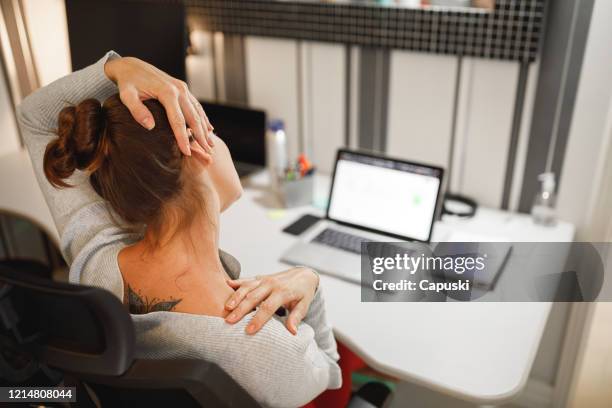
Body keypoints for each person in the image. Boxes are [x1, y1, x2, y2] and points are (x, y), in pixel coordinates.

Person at [18, 51, 341, 407]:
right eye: (212, 131)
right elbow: (330, 371)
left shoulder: (95, 260)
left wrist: (118, 68)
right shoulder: (262, 343)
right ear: (197, 147)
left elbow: (35, 117)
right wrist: (309, 281)